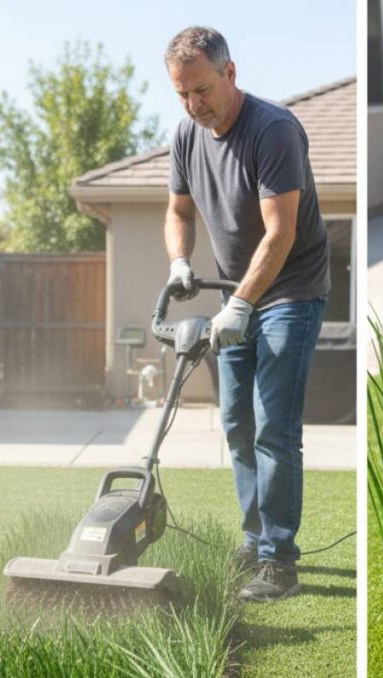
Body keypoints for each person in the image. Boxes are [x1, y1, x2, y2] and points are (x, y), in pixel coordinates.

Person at [162, 26, 329, 602]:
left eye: (202, 90)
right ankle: (256, 537)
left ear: (230, 74)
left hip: (291, 291)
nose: (193, 104)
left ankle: (279, 561)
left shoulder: (274, 129)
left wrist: (240, 303)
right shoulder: (187, 134)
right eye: (182, 94)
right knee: (236, 423)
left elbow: (280, 233)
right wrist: (180, 262)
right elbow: (177, 211)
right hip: (234, 295)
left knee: (273, 428)